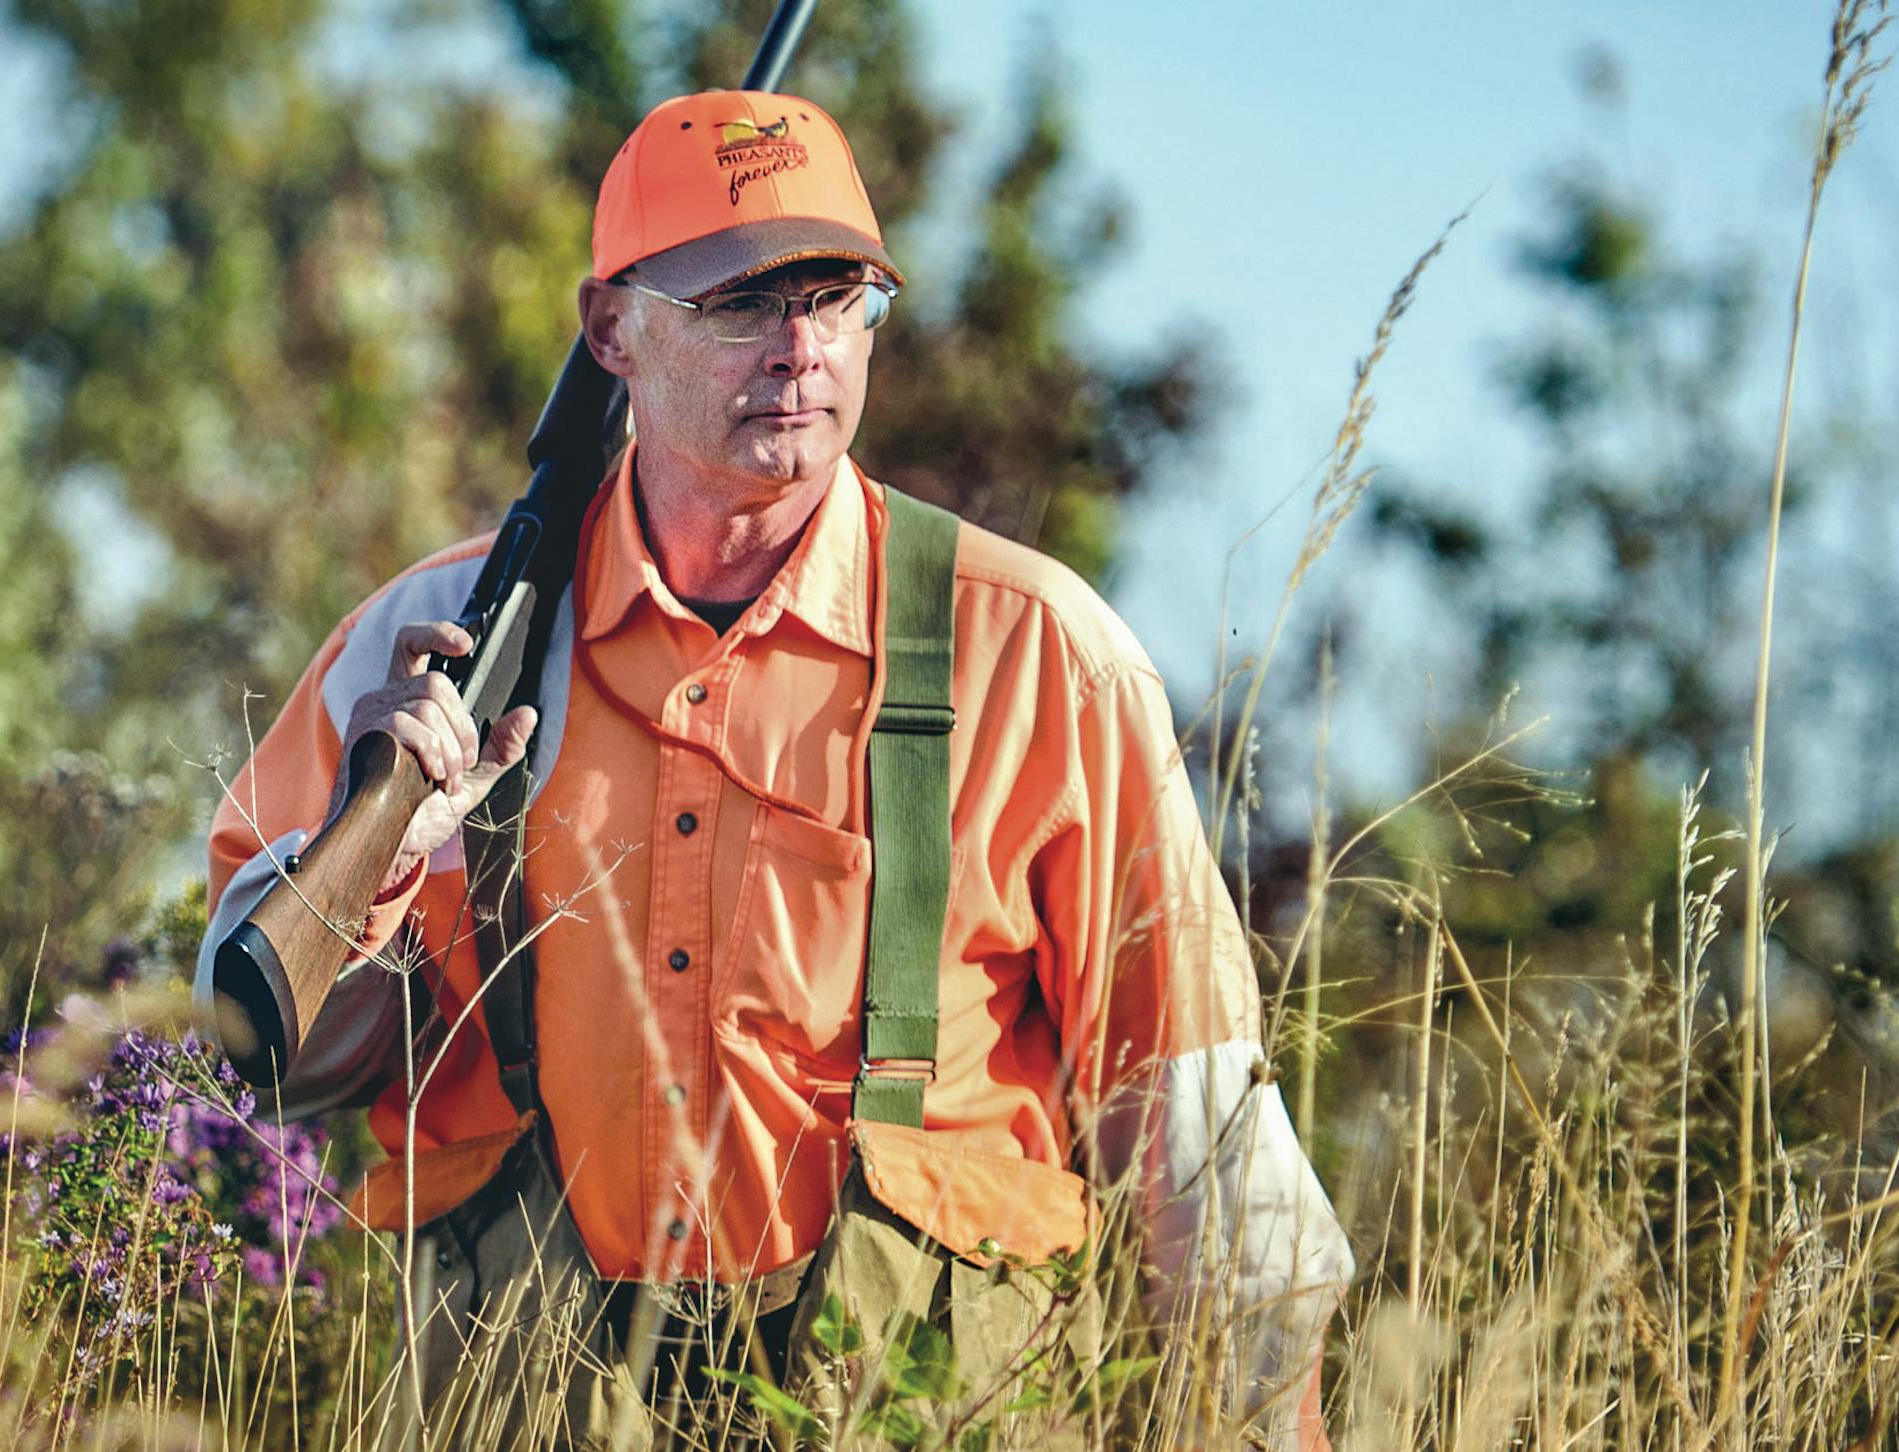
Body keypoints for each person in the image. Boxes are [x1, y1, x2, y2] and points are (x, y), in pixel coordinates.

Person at [197, 88, 1352, 1449]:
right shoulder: (422, 649)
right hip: (527, 1400)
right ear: (612, 328)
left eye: (837, 293)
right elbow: (265, 1057)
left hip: (920, 1408)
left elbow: (1199, 1139)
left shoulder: (1041, 652)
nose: (802, 348)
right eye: (743, 299)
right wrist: (383, 861)